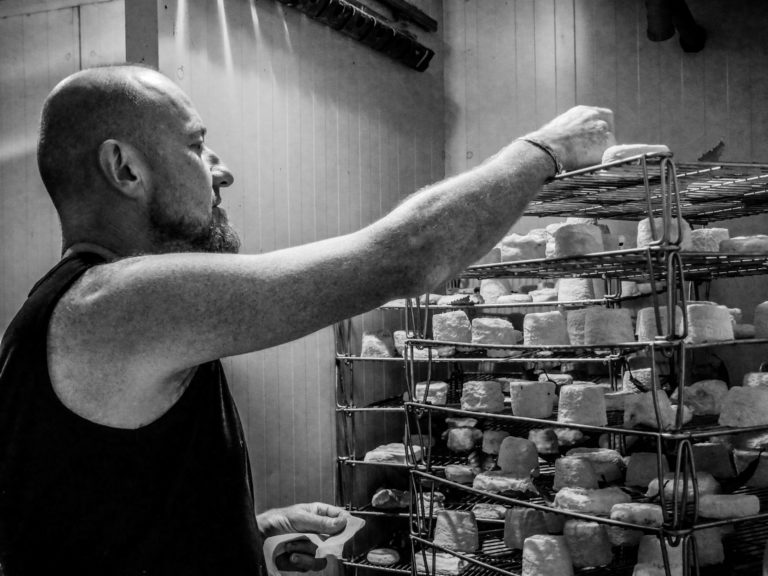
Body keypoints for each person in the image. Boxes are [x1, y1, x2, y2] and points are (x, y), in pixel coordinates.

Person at [0, 63, 615, 576]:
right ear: (125, 168)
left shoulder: (88, 312)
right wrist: (547, 149)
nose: (221, 170)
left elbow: (99, 522)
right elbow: (406, 256)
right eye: (196, 145)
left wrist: (255, 529)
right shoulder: (114, 305)